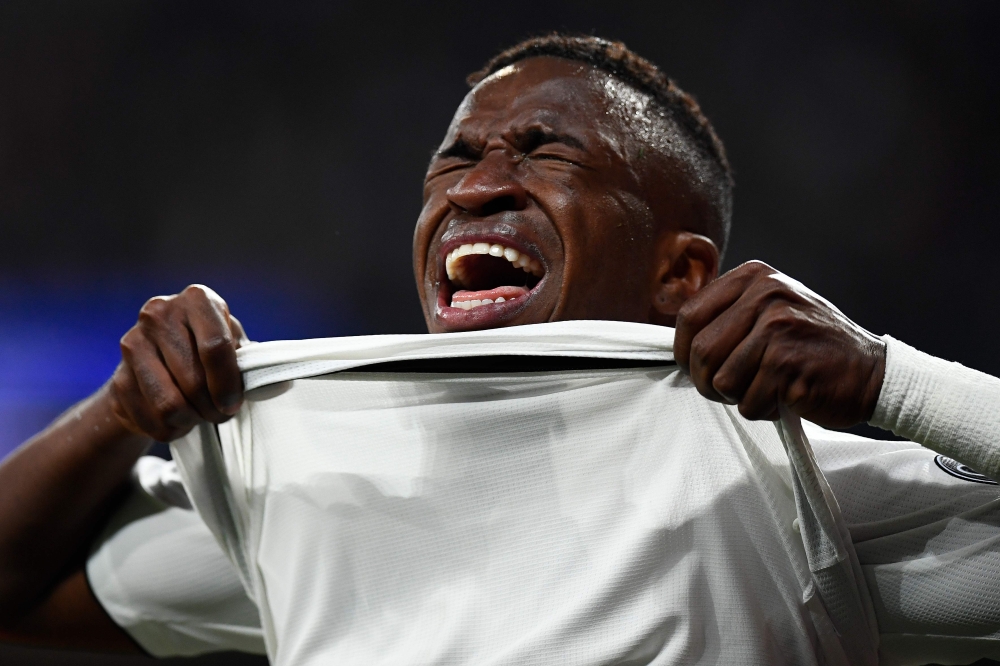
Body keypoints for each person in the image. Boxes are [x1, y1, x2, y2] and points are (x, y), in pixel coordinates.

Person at [0, 34, 998, 664]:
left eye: (546, 151)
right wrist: (118, 415)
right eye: (456, 159)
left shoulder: (781, 482)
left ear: (680, 278)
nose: (473, 190)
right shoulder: (328, 484)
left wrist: (884, 379)